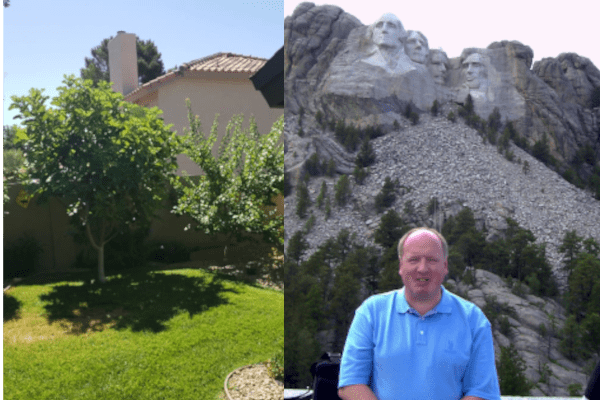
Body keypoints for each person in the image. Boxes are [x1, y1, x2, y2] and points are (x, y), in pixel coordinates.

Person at [338, 227, 501, 400]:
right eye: (414, 259)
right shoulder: (371, 312)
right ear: (401, 265)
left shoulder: (474, 320)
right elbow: (350, 384)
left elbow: (481, 392)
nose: (422, 268)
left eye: (431, 260)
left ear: (445, 265)